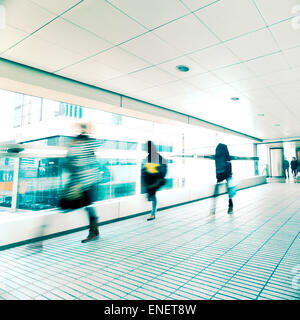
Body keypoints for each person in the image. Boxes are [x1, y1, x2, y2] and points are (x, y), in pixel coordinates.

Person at [59, 123, 101, 243]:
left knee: (86, 205)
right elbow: (70, 162)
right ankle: (94, 231)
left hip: (87, 182)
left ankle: (93, 231)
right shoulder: (78, 144)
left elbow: (73, 162)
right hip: (81, 181)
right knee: (86, 205)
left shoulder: (84, 144)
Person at [141, 140, 167, 221]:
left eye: (146, 148)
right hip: (150, 179)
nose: (145, 149)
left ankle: (153, 213)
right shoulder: (148, 157)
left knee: (152, 194)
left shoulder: (158, 157)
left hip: (156, 179)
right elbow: (144, 169)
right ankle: (153, 211)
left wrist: (157, 169)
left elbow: (164, 168)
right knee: (152, 194)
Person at [211, 143, 234, 214]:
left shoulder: (217, 155)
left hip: (220, 174)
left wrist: (217, 176)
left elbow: (217, 165)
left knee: (217, 190)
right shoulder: (226, 155)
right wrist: (230, 174)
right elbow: (229, 163)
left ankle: (213, 209)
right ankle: (230, 206)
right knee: (230, 191)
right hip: (226, 173)